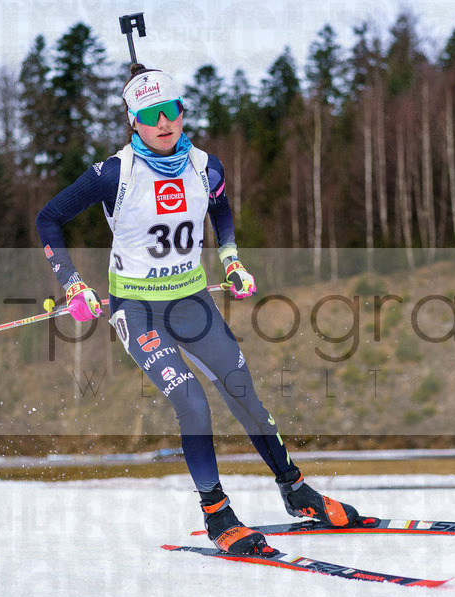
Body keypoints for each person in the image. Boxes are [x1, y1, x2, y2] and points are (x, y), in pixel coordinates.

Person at [36, 64, 368, 556]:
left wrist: (231, 260)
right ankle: (217, 514)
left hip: (193, 302)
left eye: (170, 110)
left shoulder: (205, 166)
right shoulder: (114, 174)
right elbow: (48, 218)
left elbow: (220, 208)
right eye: (150, 114)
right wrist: (72, 283)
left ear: (182, 111)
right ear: (133, 121)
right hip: (137, 310)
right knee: (191, 401)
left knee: (243, 393)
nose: (163, 122)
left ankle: (296, 490)